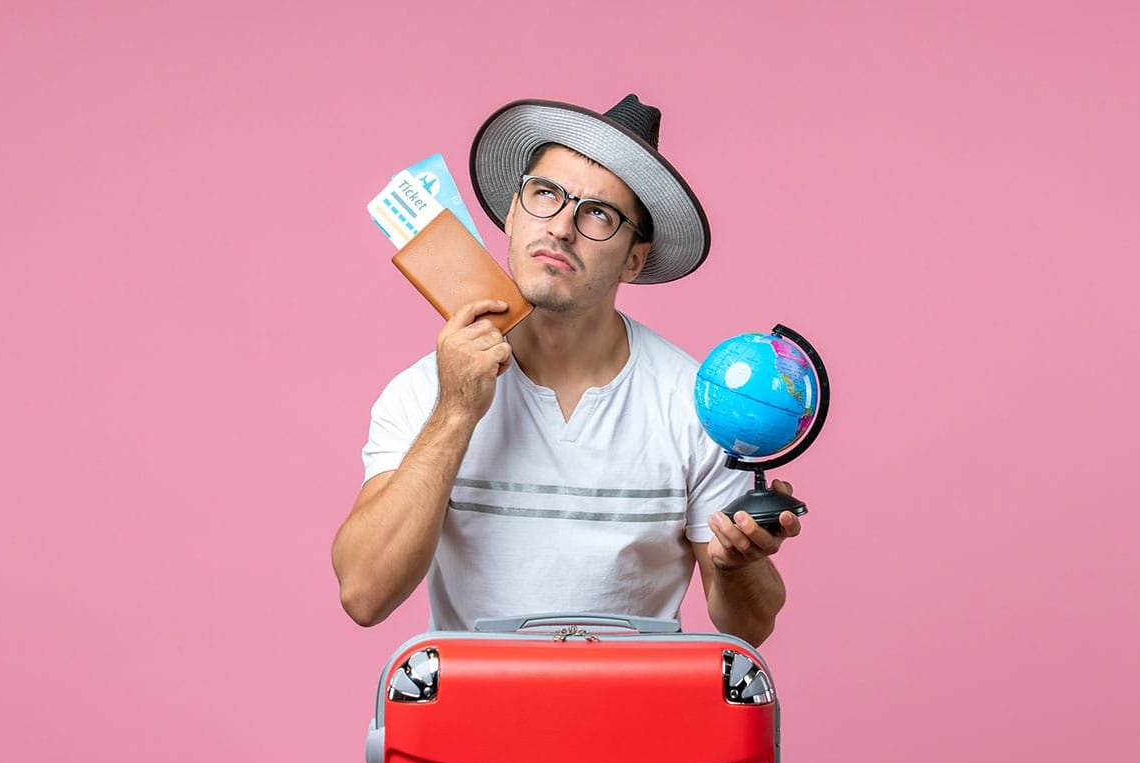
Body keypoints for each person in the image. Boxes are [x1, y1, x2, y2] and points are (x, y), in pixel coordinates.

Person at [331, 95, 802, 647]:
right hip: (469, 722)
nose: (560, 228)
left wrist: (737, 563)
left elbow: (749, 625)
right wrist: (456, 412)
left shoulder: (696, 404)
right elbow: (364, 594)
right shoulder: (426, 392)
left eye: (599, 214)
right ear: (511, 213)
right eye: (545, 195)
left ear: (634, 258)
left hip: (635, 719)